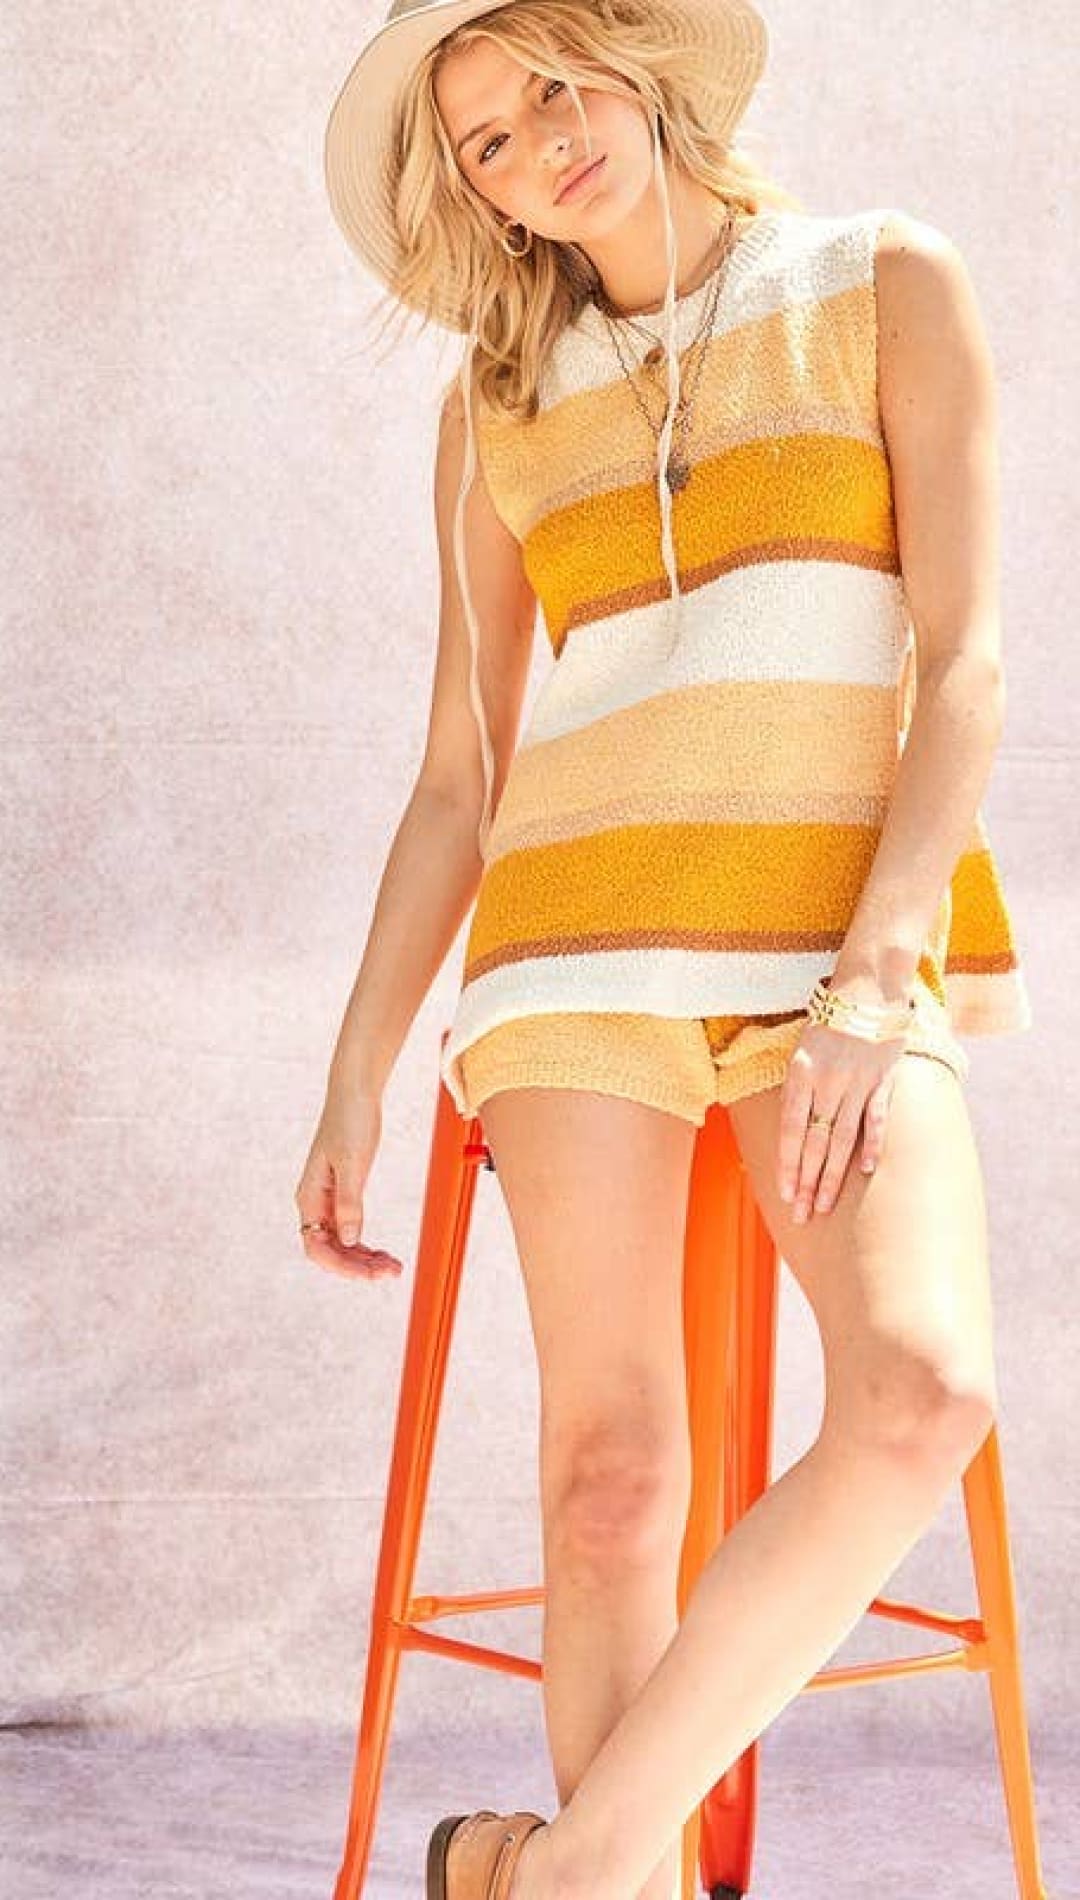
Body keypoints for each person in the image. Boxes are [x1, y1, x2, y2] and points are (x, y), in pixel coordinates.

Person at [299, 2, 1034, 1896]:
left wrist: (877, 978)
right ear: (480, 197)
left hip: (832, 949)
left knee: (922, 1390)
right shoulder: (496, 405)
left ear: (633, 64)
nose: (541, 142)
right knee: (613, 1477)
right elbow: (459, 778)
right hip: (573, 952)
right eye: (488, 139)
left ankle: (556, 1872)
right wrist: (358, 1071)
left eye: (553, 86)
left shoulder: (882, 281)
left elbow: (964, 662)